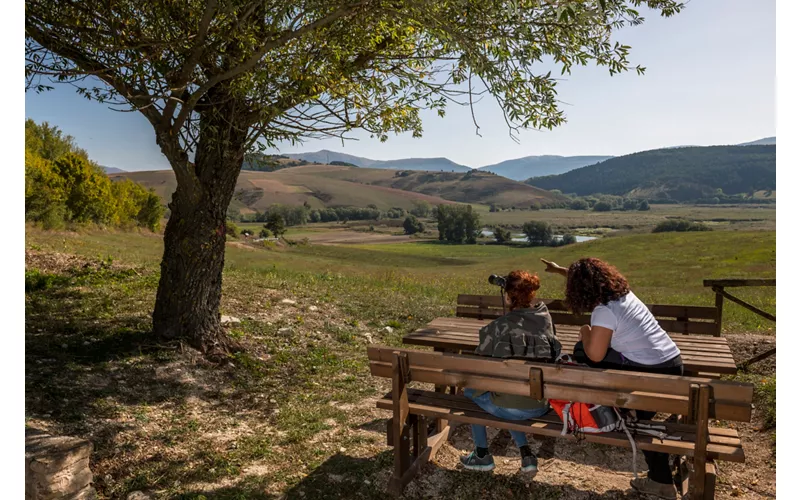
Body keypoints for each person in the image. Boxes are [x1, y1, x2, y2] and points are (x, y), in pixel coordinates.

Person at [541, 257, 683, 500]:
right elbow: (590, 281)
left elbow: (594, 355)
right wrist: (559, 271)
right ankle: (660, 479)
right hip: (671, 363)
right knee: (645, 418)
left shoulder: (604, 312)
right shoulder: (625, 295)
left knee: (580, 350)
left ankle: (601, 405)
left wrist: (584, 332)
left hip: (650, 375)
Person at [460, 270, 561, 477]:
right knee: (515, 392)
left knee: (471, 392)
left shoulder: (499, 326)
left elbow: (480, 361)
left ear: (508, 297)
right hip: (540, 405)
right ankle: (526, 455)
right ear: (531, 294)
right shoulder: (545, 319)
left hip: (508, 406)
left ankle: (482, 455)